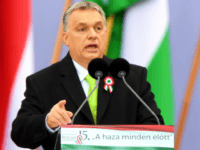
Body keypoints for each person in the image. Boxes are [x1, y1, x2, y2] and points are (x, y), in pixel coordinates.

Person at [11, 1, 164, 150]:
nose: (92, 35)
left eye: (98, 28)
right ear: (66, 38)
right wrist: (47, 121)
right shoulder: (43, 82)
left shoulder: (130, 77)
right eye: (82, 29)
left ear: (105, 33)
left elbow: (155, 127)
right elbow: (19, 133)